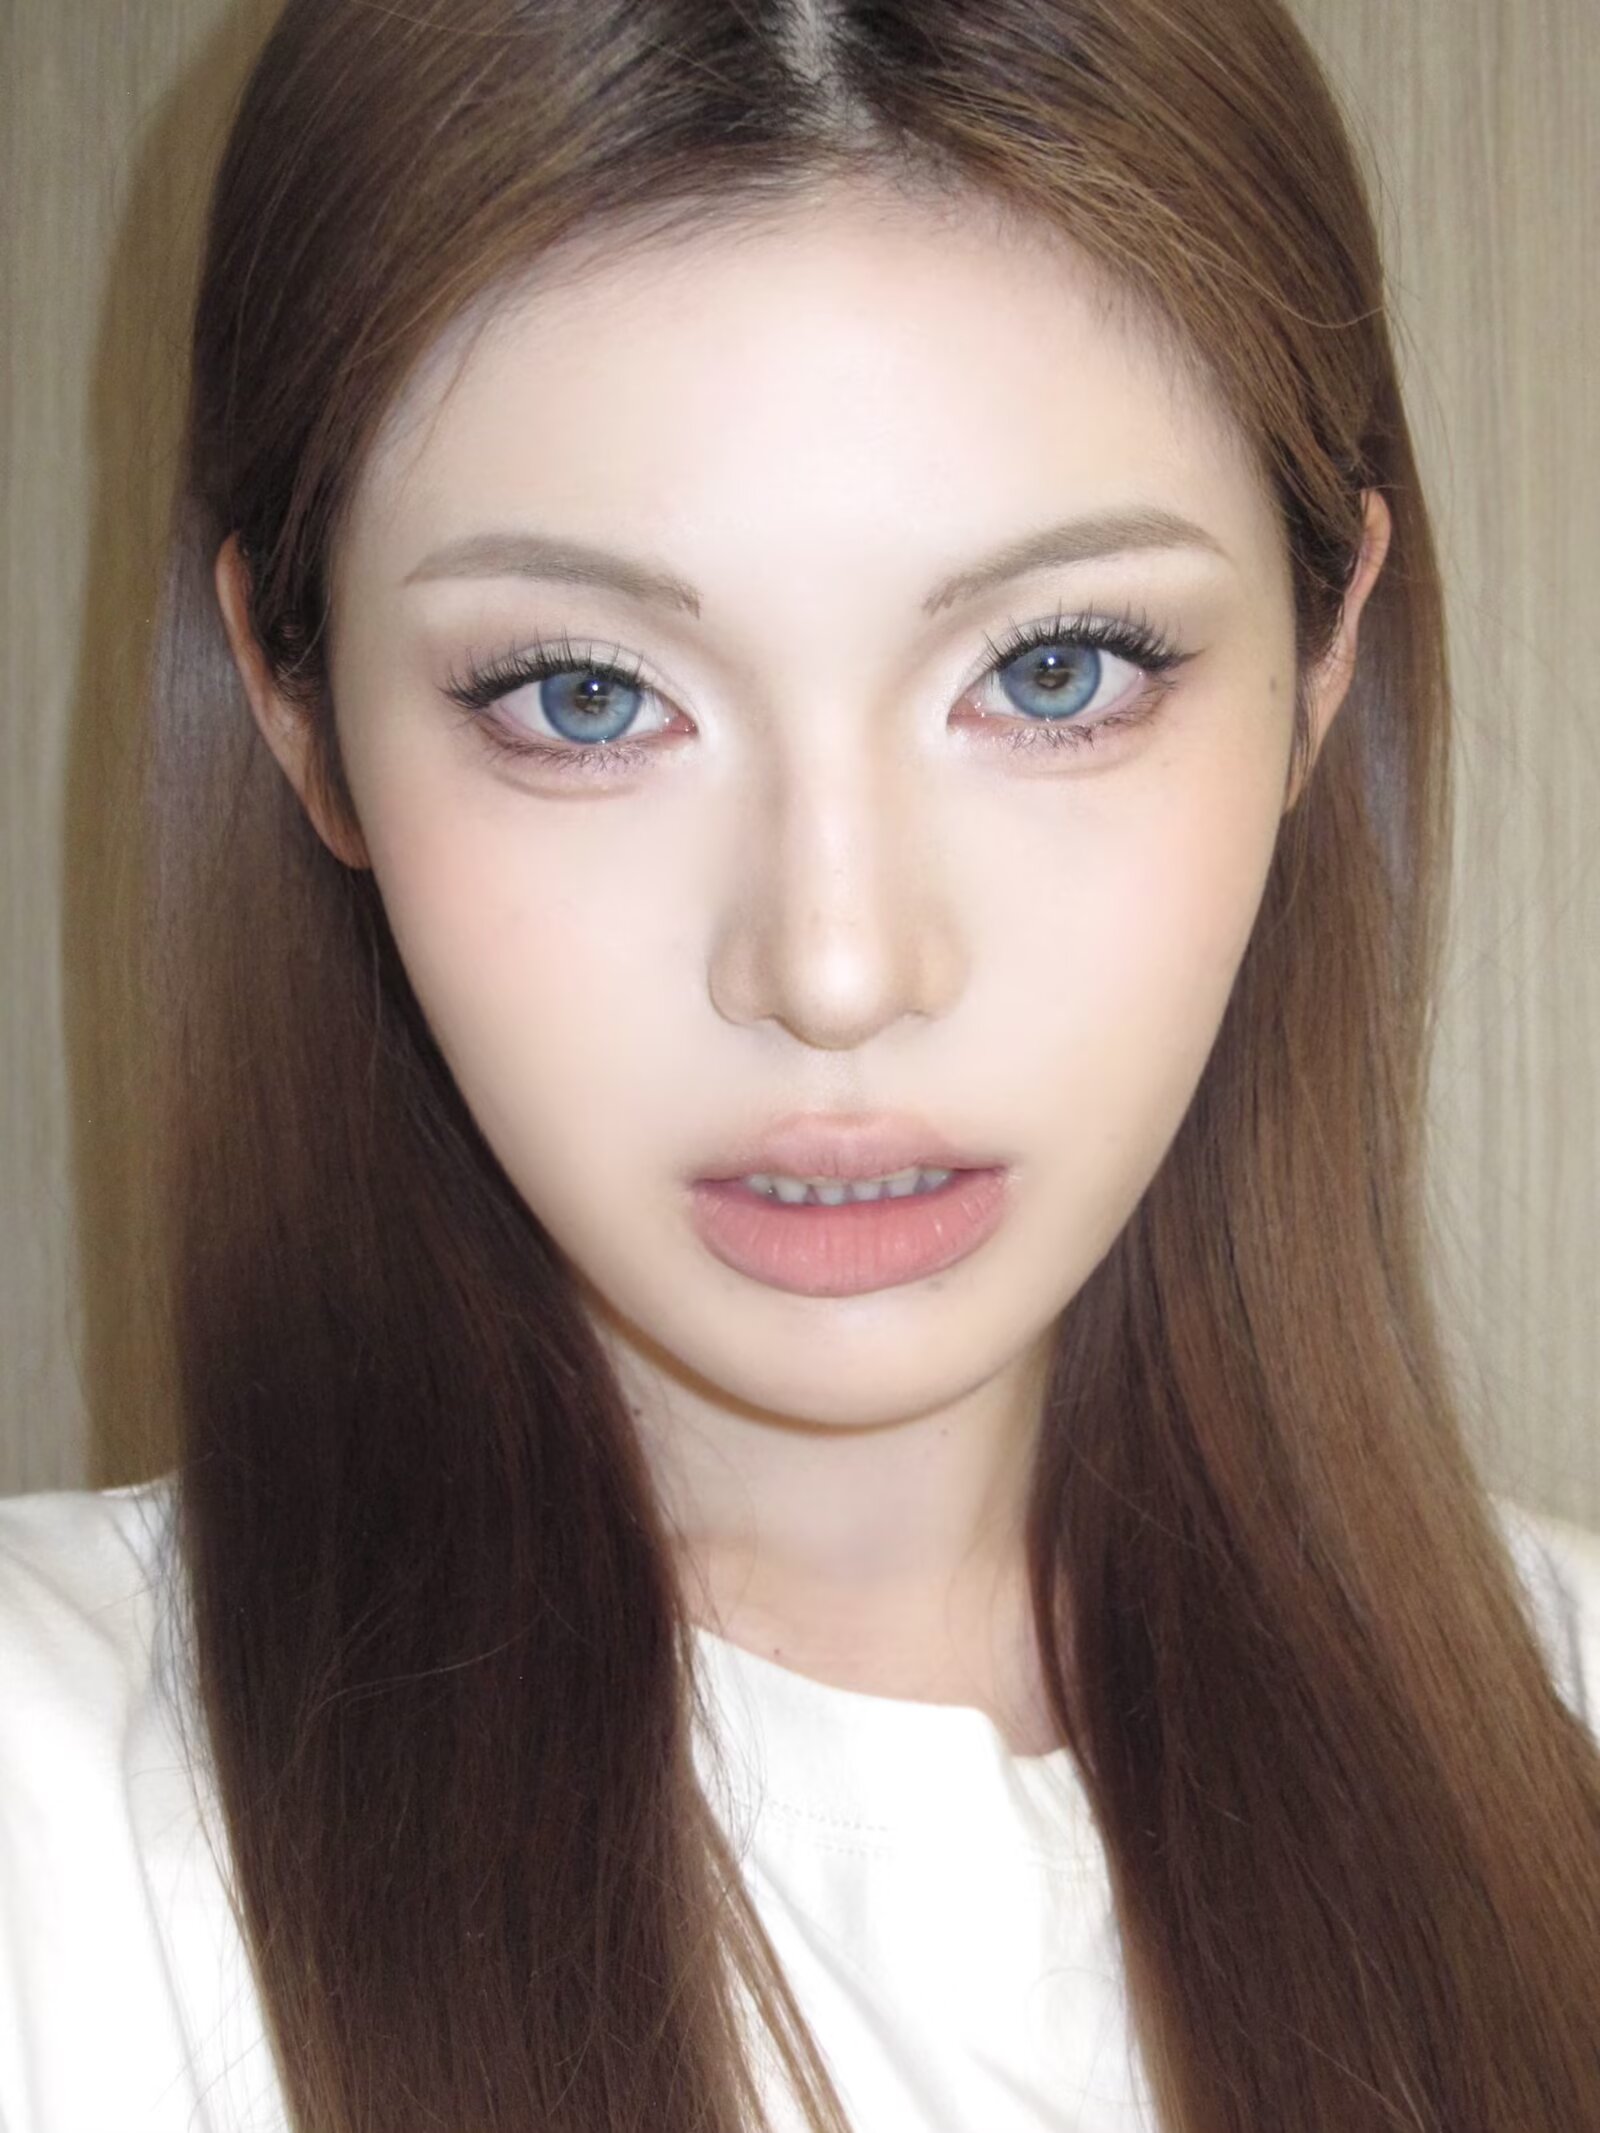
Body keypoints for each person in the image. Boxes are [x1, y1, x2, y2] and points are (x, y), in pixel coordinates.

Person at [2, 0, 1598, 2128]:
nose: (835, 968)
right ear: (304, 720)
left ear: (1322, 666)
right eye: (583, 695)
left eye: (1056, 671)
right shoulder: (52, 1829)